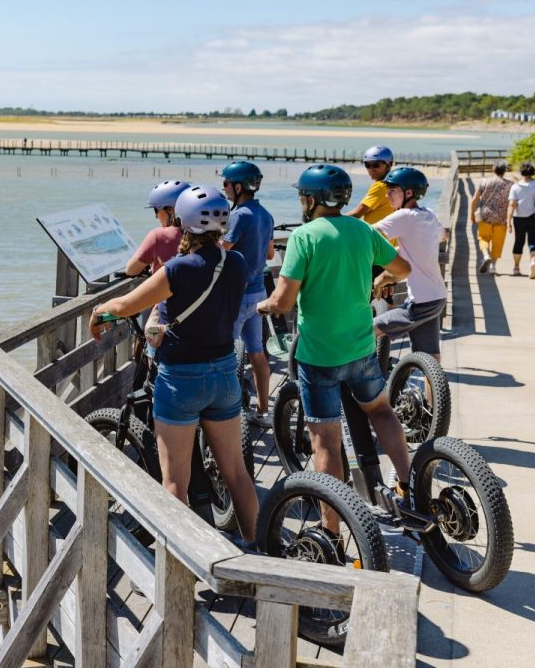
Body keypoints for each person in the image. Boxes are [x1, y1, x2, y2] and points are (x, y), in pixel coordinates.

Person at [90, 185, 259, 546]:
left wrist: (98, 312)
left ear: (182, 222)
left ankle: (178, 567)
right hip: (225, 371)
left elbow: (126, 305)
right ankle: (259, 552)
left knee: (174, 484)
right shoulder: (238, 262)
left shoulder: (178, 269)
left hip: (182, 379)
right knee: (237, 473)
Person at [255, 165, 413, 543]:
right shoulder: (363, 231)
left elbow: (284, 299)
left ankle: (331, 530)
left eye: (302, 196)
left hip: (319, 355)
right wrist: (378, 282)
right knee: (381, 411)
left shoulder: (304, 238)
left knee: (325, 441)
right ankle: (410, 487)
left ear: (310, 199)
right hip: (361, 347)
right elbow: (404, 269)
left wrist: (264, 307)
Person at [371, 167, 448, 363]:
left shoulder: (405, 215)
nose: (387, 195)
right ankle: (436, 394)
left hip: (420, 303)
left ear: (409, 193)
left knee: (366, 331)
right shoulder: (428, 214)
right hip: (437, 297)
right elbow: (442, 236)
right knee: (430, 356)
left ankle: (366, 376)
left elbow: (367, 234)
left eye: (392, 190)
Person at [219, 161, 274, 425]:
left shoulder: (239, 215)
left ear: (239, 186)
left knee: (225, 352)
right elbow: (271, 254)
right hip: (259, 292)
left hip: (236, 295)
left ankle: (226, 413)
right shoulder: (265, 214)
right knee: (257, 351)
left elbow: (222, 248)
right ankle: (263, 411)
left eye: (227, 183)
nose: (224, 188)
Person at [125, 179, 189, 276]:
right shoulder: (205, 234)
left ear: (171, 210)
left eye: (156, 210)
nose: (156, 216)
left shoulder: (159, 235)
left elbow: (131, 270)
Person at [469, 161, 512, 274]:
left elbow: (475, 200)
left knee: (483, 238)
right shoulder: (510, 184)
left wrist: (472, 214)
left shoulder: (484, 182)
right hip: (501, 218)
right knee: (498, 242)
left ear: (493, 170)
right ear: (504, 171)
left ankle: (486, 255)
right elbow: (512, 202)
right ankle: (493, 266)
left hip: (486, 216)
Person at [506, 162, 535, 279]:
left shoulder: (515, 187)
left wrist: (508, 221)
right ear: (533, 172)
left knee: (519, 241)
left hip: (519, 218)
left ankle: (516, 268)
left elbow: (512, 204)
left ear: (521, 172)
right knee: (533, 241)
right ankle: (533, 261)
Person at [346, 145, 396, 224]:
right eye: (367, 165)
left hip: (376, 235)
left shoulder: (380, 186)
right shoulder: (395, 184)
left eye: (376, 165)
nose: (371, 169)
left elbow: (356, 214)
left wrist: (331, 221)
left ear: (389, 164)